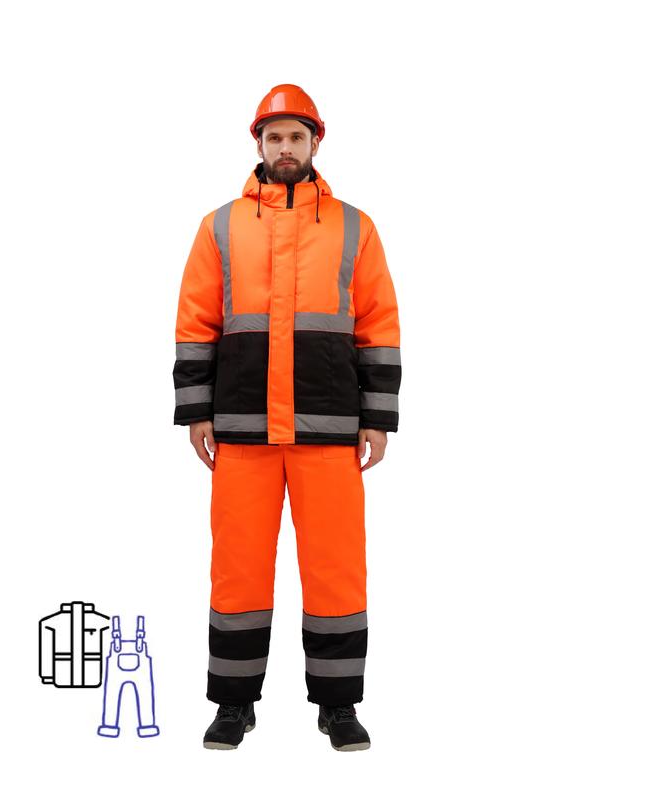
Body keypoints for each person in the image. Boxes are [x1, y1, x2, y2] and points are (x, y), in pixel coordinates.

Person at [172, 84, 401, 751]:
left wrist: (377, 416)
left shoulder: (356, 227)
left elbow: (379, 324)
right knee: (237, 567)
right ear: (259, 144)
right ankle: (233, 703)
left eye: (296, 137)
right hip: (241, 427)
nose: (285, 148)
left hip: (329, 428)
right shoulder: (220, 226)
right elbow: (196, 321)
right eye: (274, 137)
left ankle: (338, 705)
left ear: (315, 143)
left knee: (336, 568)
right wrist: (196, 411)